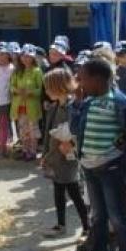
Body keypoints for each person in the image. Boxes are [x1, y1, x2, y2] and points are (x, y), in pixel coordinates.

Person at [73, 59, 126, 251]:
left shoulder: (119, 102)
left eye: (82, 78)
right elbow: (76, 129)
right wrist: (77, 104)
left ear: (98, 79)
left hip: (111, 170)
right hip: (90, 169)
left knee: (119, 218)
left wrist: (122, 150)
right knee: (98, 216)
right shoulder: (88, 101)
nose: (79, 82)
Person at [41, 67, 89, 238]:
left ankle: (87, 227)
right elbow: (49, 130)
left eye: (48, 87)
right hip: (56, 157)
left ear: (58, 87)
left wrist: (70, 142)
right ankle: (61, 225)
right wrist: (45, 154)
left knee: (75, 192)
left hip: (69, 158)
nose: (46, 91)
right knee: (58, 190)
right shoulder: (55, 106)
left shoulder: (72, 106)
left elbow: (78, 129)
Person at [10, 44, 44, 161]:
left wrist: (31, 92)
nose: (26, 59)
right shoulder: (17, 71)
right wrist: (17, 90)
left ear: (33, 58)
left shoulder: (37, 71)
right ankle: (25, 150)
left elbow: (41, 90)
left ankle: (33, 152)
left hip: (32, 107)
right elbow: (11, 86)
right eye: (24, 56)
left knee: (33, 130)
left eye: (29, 56)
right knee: (23, 129)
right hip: (20, 106)